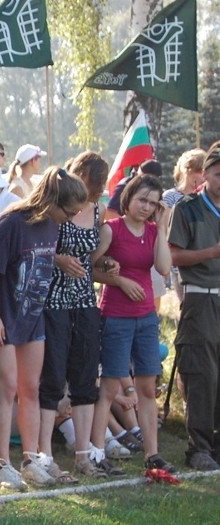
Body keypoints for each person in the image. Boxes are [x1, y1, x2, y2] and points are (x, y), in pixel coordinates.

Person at [0, 167, 88, 491]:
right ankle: (2, 466)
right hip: (4, 317)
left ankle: (29, 460)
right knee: (8, 387)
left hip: (32, 318)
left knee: (31, 389)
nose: (70, 218)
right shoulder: (12, 222)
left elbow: (39, 255)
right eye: (68, 211)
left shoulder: (51, 225)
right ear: (52, 200)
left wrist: (58, 260)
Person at [38, 152, 119, 480]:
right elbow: (35, 249)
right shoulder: (53, 207)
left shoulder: (98, 211)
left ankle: (84, 454)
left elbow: (92, 258)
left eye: (99, 188)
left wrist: (105, 265)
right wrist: (58, 260)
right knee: (53, 377)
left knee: (86, 378)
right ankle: (44, 454)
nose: (95, 193)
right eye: (93, 184)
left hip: (85, 300)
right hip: (53, 300)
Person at [90, 174, 175, 473]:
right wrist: (119, 280)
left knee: (147, 388)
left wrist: (162, 228)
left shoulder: (153, 231)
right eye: (142, 200)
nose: (147, 207)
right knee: (110, 387)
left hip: (146, 319)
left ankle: (152, 454)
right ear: (128, 197)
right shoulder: (110, 230)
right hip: (116, 316)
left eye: (153, 203)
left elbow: (164, 268)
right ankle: (97, 452)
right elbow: (88, 269)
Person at [167, 142, 220, 471]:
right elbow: (173, 256)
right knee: (202, 373)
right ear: (205, 174)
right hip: (200, 296)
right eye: (218, 173)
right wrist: (211, 252)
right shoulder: (187, 208)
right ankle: (199, 447)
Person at [163, 149, 206, 302]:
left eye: (204, 171)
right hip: (180, 264)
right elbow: (164, 229)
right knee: (188, 307)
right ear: (187, 171)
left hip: (206, 262)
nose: (202, 176)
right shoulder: (171, 196)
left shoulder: (206, 198)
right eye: (198, 171)